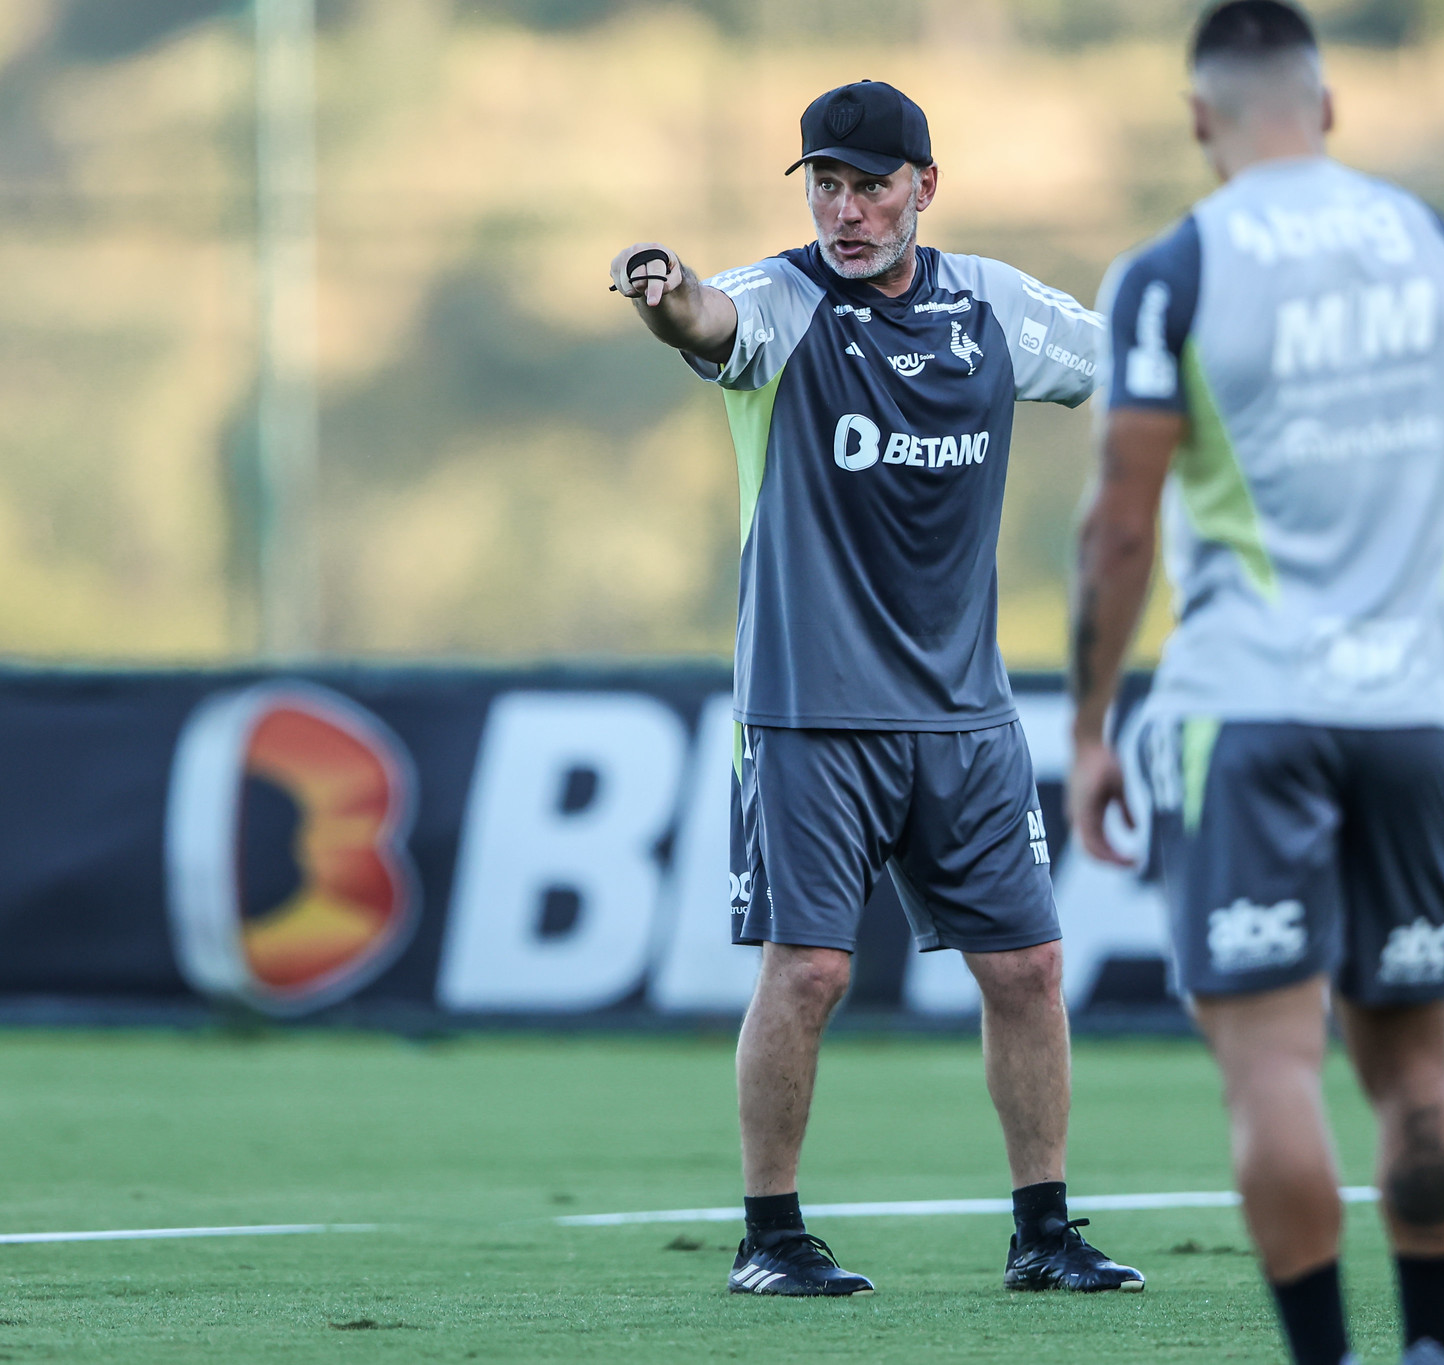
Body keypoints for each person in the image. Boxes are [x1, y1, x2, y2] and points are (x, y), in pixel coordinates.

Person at [610, 79, 1144, 1299]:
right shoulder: (779, 302)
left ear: (924, 187)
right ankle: (770, 1235)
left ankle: (1043, 1232)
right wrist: (660, 284)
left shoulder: (991, 306)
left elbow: (1122, 357)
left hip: (965, 717)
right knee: (808, 970)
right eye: (823, 185)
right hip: (809, 712)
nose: (844, 211)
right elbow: (703, 317)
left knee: (1027, 970)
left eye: (868, 185)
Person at [1067, 3, 1444, 1362]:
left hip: (1245, 711)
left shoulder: (1173, 269)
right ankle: (1431, 1348)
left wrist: (1091, 725)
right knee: (1419, 1073)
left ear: (1201, 122)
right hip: (1406, 718)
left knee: (1273, 1068)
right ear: (1326, 108)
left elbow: (1119, 519)